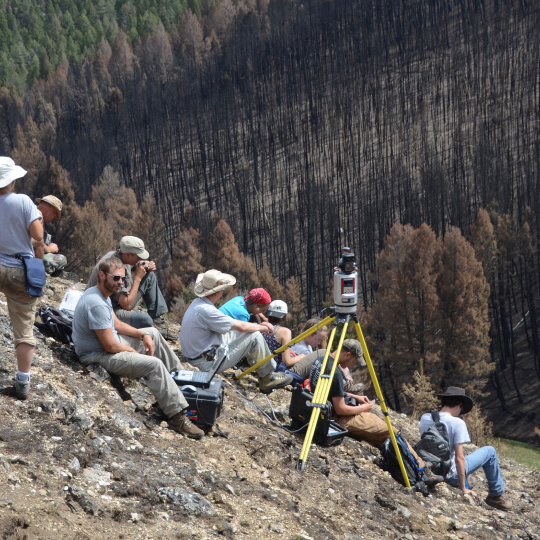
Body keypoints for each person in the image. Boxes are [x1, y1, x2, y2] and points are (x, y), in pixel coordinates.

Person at [72, 257, 203, 440]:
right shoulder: (96, 303)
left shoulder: (101, 294)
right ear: (102, 275)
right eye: (116, 278)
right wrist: (134, 353)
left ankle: (180, 382)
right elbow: (109, 345)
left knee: (153, 332)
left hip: (108, 345)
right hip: (97, 355)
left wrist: (143, 335)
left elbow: (116, 324)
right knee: (153, 365)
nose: (121, 283)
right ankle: (177, 417)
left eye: (123, 279)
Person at [309, 339, 432, 484]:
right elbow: (340, 408)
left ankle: (408, 464)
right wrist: (364, 408)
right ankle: (420, 469)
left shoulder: (321, 361)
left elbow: (328, 390)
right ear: (348, 354)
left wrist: (354, 397)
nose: (352, 365)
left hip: (323, 410)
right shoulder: (335, 372)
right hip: (340, 418)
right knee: (392, 432)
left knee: (382, 435)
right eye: (353, 361)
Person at [178, 269, 293, 394]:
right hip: (205, 363)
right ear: (217, 292)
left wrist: (258, 325)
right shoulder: (207, 310)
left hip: (198, 354)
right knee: (254, 335)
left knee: (250, 331)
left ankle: (266, 373)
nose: (223, 290)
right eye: (222, 288)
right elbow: (242, 327)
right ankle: (267, 378)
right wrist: (263, 328)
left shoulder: (198, 303)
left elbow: (238, 326)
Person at [419, 387, 512, 510]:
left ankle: (466, 480)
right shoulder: (457, 423)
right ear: (459, 405)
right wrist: (463, 488)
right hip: (449, 474)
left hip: (429, 469)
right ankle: (496, 496)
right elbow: (459, 458)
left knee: (463, 466)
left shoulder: (425, 417)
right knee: (490, 451)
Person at [0, 157, 45, 400]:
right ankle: (23, 382)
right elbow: (37, 236)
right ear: (13, 179)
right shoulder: (23, 201)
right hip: (20, 267)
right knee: (24, 328)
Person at [87, 236, 168, 329]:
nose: (140, 258)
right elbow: (127, 305)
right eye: (138, 256)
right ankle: (154, 325)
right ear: (128, 255)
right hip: (108, 310)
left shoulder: (120, 257)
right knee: (145, 320)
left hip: (118, 303)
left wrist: (147, 265)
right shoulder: (114, 269)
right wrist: (137, 278)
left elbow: (135, 265)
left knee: (150, 276)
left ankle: (157, 320)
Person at [35, 195, 67, 274]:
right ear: (50, 210)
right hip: (23, 257)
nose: (52, 219)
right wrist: (49, 249)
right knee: (62, 259)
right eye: (54, 215)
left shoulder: (27, 210)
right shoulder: (38, 216)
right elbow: (34, 241)